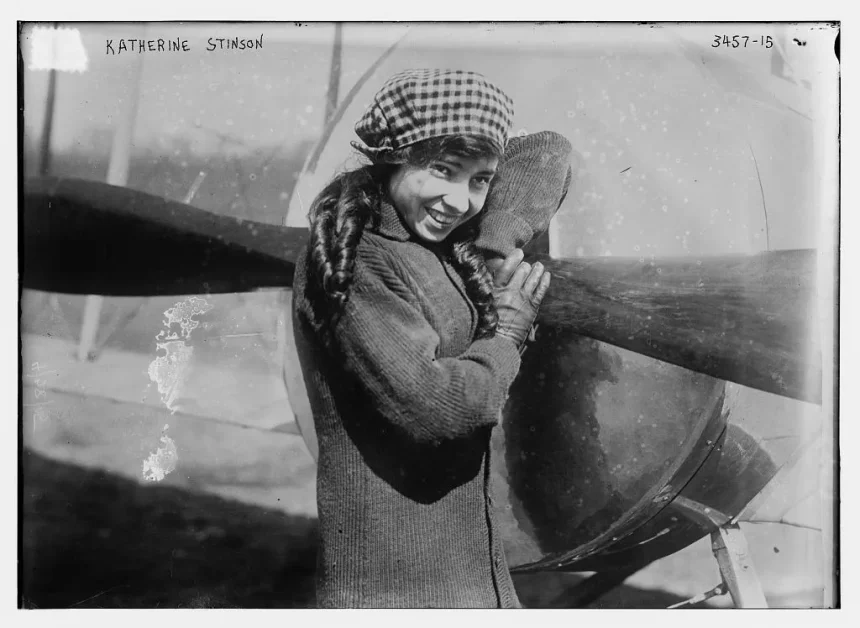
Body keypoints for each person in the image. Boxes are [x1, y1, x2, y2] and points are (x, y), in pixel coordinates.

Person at [292, 69, 572, 608]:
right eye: (442, 170)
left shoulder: (428, 236)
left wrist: (495, 245)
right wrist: (508, 333)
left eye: (479, 181)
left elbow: (547, 152)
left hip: (461, 559)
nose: (459, 200)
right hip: (393, 574)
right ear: (394, 156)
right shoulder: (357, 255)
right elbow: (437, 407)